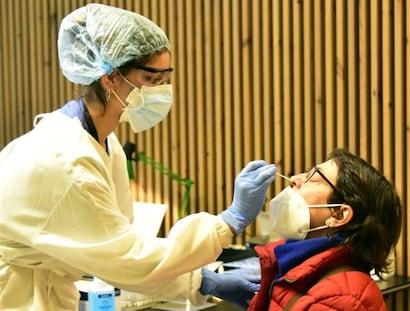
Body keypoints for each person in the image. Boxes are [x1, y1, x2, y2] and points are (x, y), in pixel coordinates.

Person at [0, 4, 276, 310]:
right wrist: (228, 222)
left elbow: (124, 246)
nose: (161, 91)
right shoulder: (69, 161)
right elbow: (129, 260)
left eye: (165, 80)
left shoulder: (104, 143)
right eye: (151, 79)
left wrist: (198, 281)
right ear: (109, 77)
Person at [239, 148, 401, 310]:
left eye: (313, 177)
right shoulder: (293, 268)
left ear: (339, 215)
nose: (294, 179)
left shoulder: (343, 299)